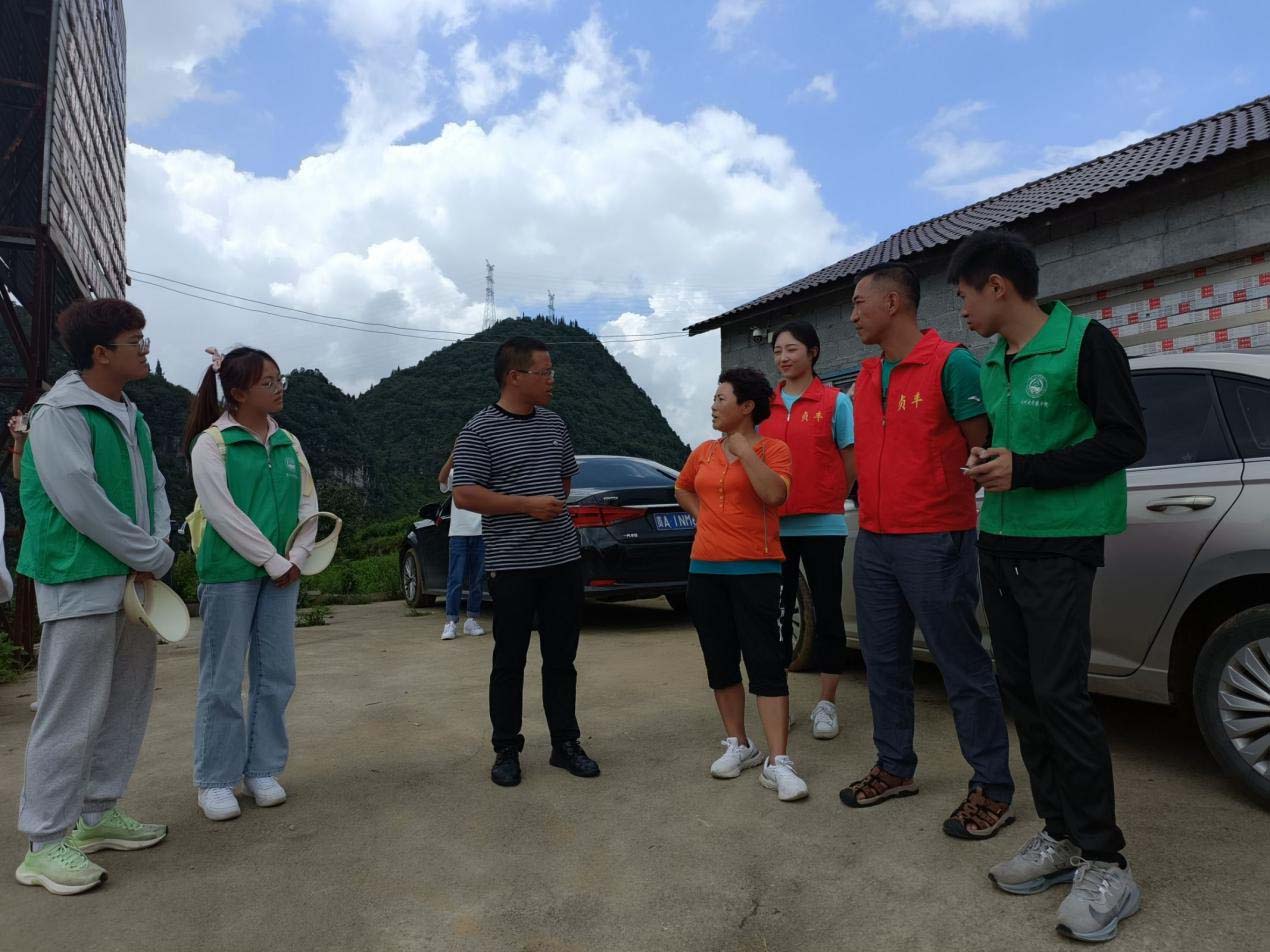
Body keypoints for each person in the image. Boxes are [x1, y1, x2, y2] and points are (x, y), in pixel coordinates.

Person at [953, 230, 1145, 942]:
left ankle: (1107, 861)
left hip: (1061, 543)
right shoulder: (993, 360)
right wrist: (992, 462)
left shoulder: (1085, 343)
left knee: (1062, 697)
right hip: (1000, 541)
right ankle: (1060, 835)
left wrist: (1026, 470)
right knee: (1024, 694)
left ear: (997, 286)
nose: (963, 311)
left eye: (965, 295)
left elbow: (1126, 440)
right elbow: (1016, 449)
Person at [840, 262, 1015, 840]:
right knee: (882, 663)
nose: (852, 314)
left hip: (936, 537)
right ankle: (895, 766)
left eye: (859, 302)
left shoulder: (951, 364)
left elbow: (982, 446)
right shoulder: (867, 375)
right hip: (875, 539)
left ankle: (992, 787)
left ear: (893, 303)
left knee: (961, 665)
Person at [13, 299, 173, 895]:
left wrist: (157, 544)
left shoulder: (130, 413)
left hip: (133, 580)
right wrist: (147, 552)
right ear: (101, 353)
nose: (146, 350)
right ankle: (43, 843)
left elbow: (154, 485)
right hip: (79, 578)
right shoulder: (59, 413)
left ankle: (97, 814)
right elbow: (79, 498)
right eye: (136, 341)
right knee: (71, 711)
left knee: (125, 700)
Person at [451, 337, 599, 787]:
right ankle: (506, 749)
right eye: (544, 372)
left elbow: (564, 480)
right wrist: (526, 505)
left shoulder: (554, 423)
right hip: (512, 564)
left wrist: (544, 503)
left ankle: (565, 744)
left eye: (552, 371)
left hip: (562, 558)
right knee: (509, 659)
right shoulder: (478, 430)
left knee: (562, 658)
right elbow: (465, 493)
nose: (552, 380)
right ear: (515, 377)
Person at [184, 346, 318, 822]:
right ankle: (215, 780)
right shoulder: (212, 444)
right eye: (268, 382)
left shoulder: (288, 442)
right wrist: (272, 560)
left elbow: (308, 503)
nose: (279, 388)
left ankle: (262, 769)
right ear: (238, 393)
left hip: (284, 572)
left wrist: (298, 555)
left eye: (280, 379)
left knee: (276, 674)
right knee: (222, 680)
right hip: (230, 575)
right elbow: (222, 513)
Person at [675, 367, 807, 802]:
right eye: (714, 399)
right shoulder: (703, 453)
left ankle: (779, 761)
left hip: (757, 571)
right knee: (720, 660)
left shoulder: (774, 450)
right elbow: (683, 488)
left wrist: (745, 452)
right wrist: (706, 519)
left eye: (721, 399)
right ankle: (740, 744)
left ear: (747, 406)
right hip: (705, 572)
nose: (713, 406)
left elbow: (774, 495)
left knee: (765, 660)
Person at [760, 321, 855, 739]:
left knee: (828, 610)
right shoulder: (763, 405)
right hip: (774, 525)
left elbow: (850, 459)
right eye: (778, 351)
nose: (783, 357)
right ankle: (779, 702)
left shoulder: (835, 402)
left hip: (823, 525)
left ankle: (826, 703)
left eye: (792, 349)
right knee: (776, 612)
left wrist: (831, 495)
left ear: (813, 352)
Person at [438, 449, 486, 640]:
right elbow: (441, 480)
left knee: (477, 579)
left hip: (481, 532)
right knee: (455, 579)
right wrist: (453, 455)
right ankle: (451, 622)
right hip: (459, 533)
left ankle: (472, 620)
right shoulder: (456, 472)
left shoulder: (486, 473)